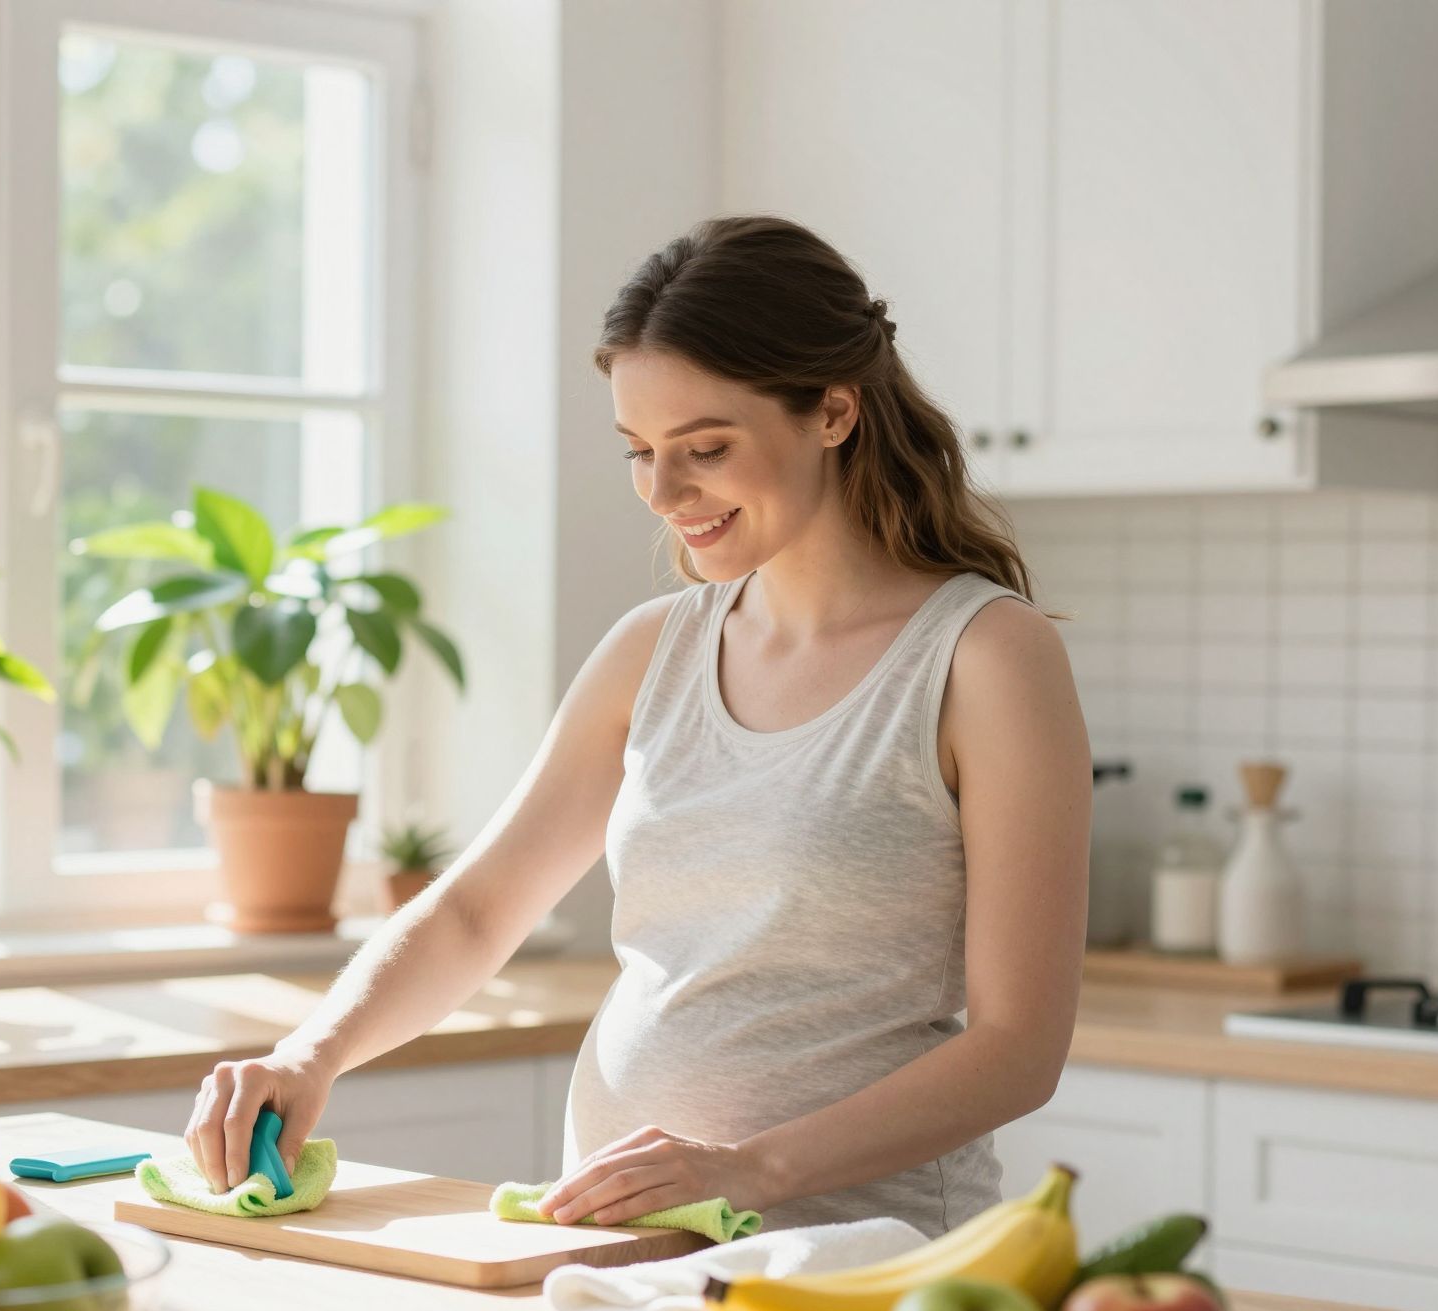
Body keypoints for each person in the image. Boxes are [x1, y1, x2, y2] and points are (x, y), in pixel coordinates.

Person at [184, 215, 1090, 1235]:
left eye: (705, 448)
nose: (662, 492)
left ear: (834, 412)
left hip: (855, 1256)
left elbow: (1018, 1047)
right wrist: (311, 1054)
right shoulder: (652, 650)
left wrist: (746, 1168)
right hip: (615, 1241)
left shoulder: (984, 658)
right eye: (640, 451)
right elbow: (478, 911)